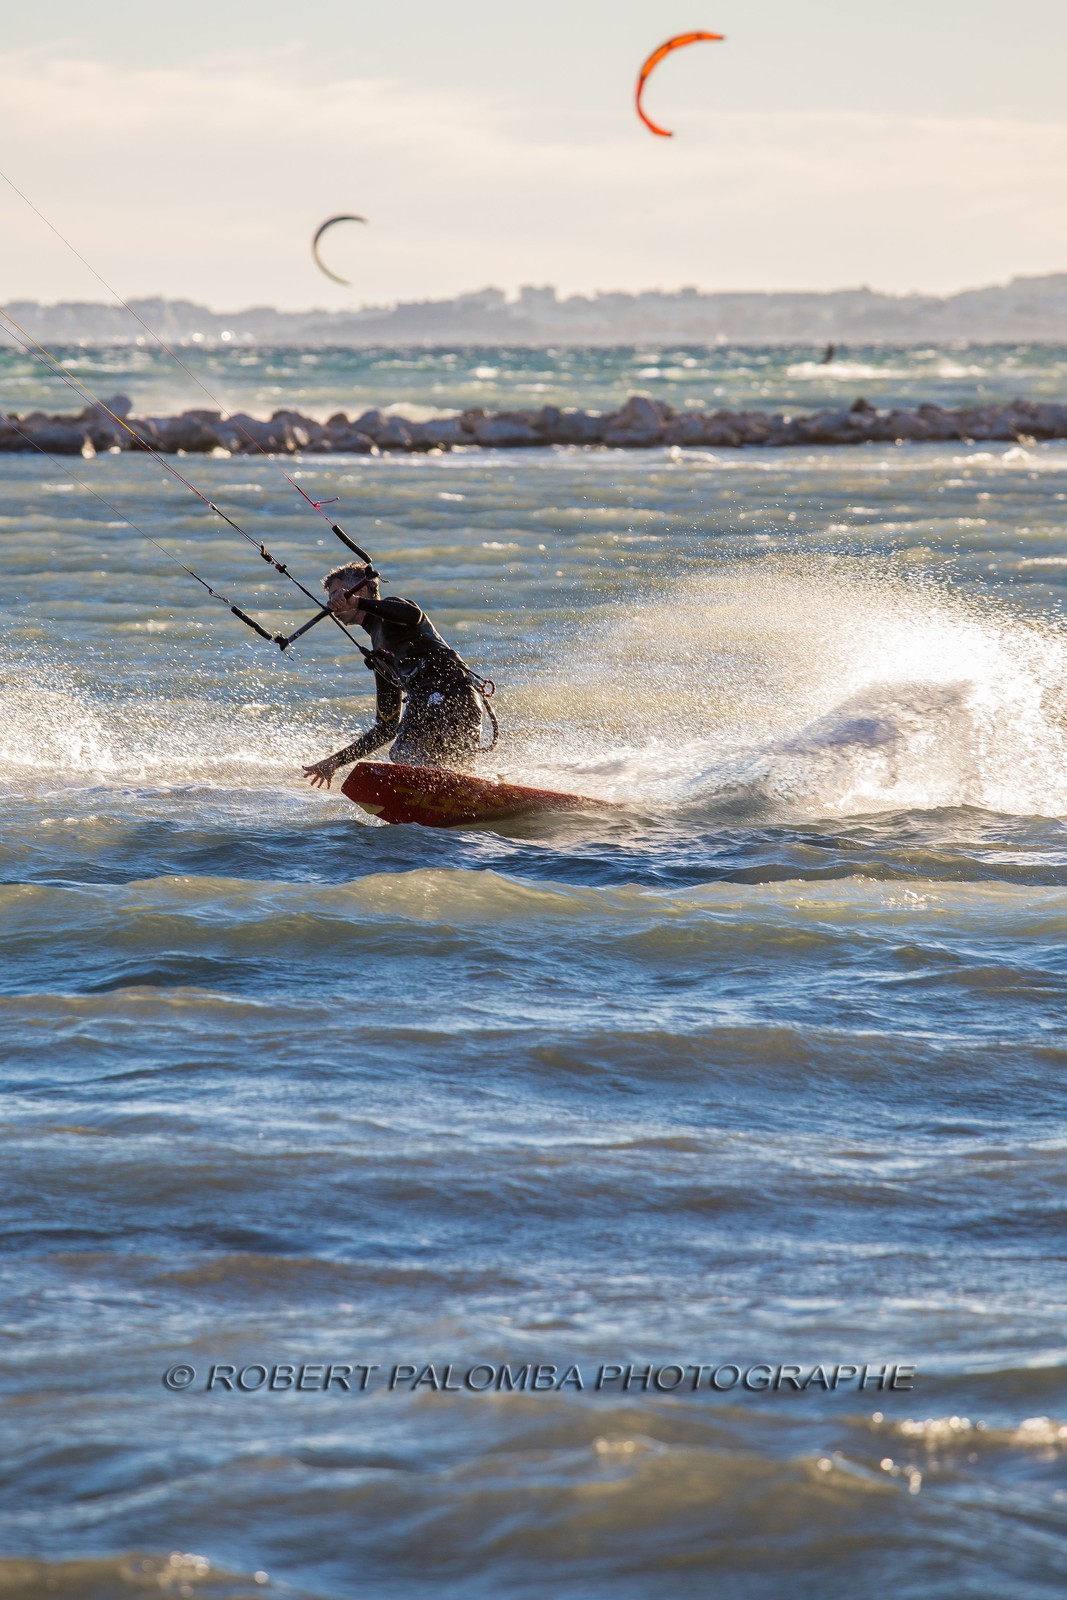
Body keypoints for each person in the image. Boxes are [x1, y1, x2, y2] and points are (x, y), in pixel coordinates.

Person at [302, 563, 489, 787]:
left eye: (336, 595)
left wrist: (359, 603)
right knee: (439, 769)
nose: (332, 605)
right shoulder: (380, 657)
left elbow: (413, 615)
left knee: (405, 754)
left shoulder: (391, 607)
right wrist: (335, 761)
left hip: (451, 695)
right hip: (437, 704)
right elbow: (386, 727)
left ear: (360, 591)